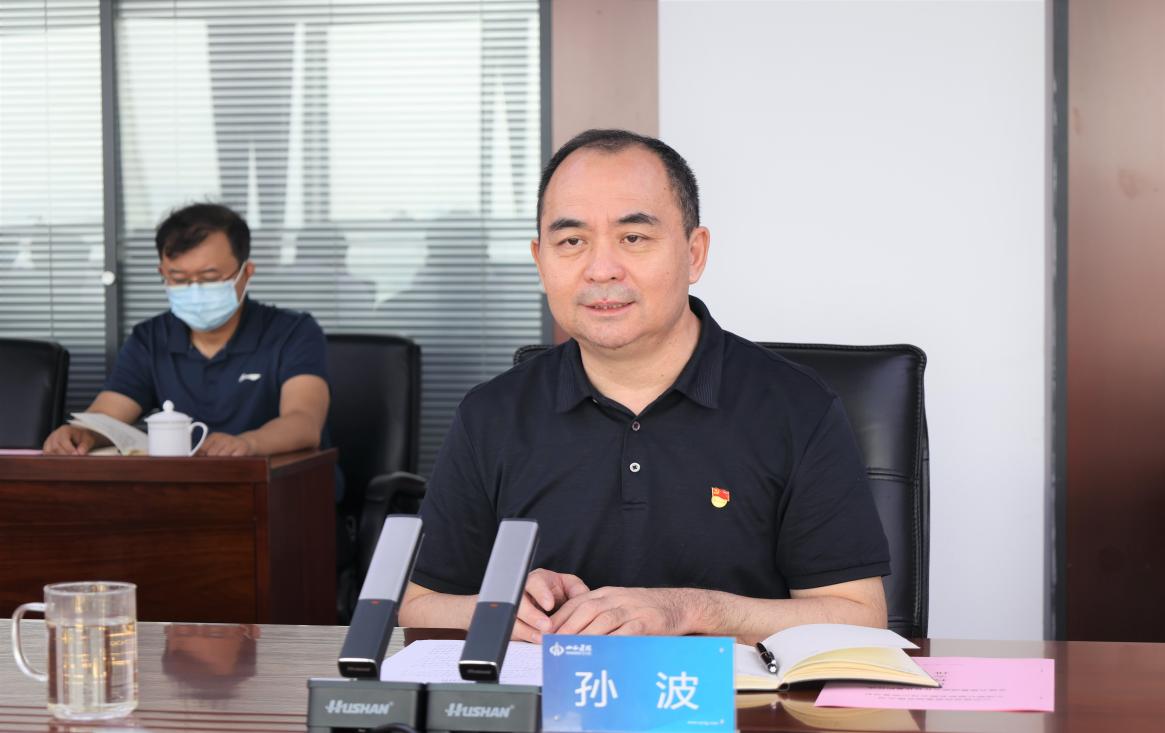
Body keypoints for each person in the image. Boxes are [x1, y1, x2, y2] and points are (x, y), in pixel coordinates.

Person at [399, 129, 891, 644]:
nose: (601, 270)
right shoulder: (491, 414)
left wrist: (693, 610)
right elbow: (417, 605)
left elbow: (860, 616)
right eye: (571, 242)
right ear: (540, 262)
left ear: (694, 253)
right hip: (552, 693)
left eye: (633, 238)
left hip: (730, 697)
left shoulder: (796, 407)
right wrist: (499, 608)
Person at [43, 203, 330, 458]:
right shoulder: (151, 339)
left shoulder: (292, 332)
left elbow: (303, 421)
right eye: (179, 279)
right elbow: (108, 415)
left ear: (246, 272)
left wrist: (249, 443)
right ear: (163, 274)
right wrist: (82, 434)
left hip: (279, 486)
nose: (195, 289)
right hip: (182, 489)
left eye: (210, 277)